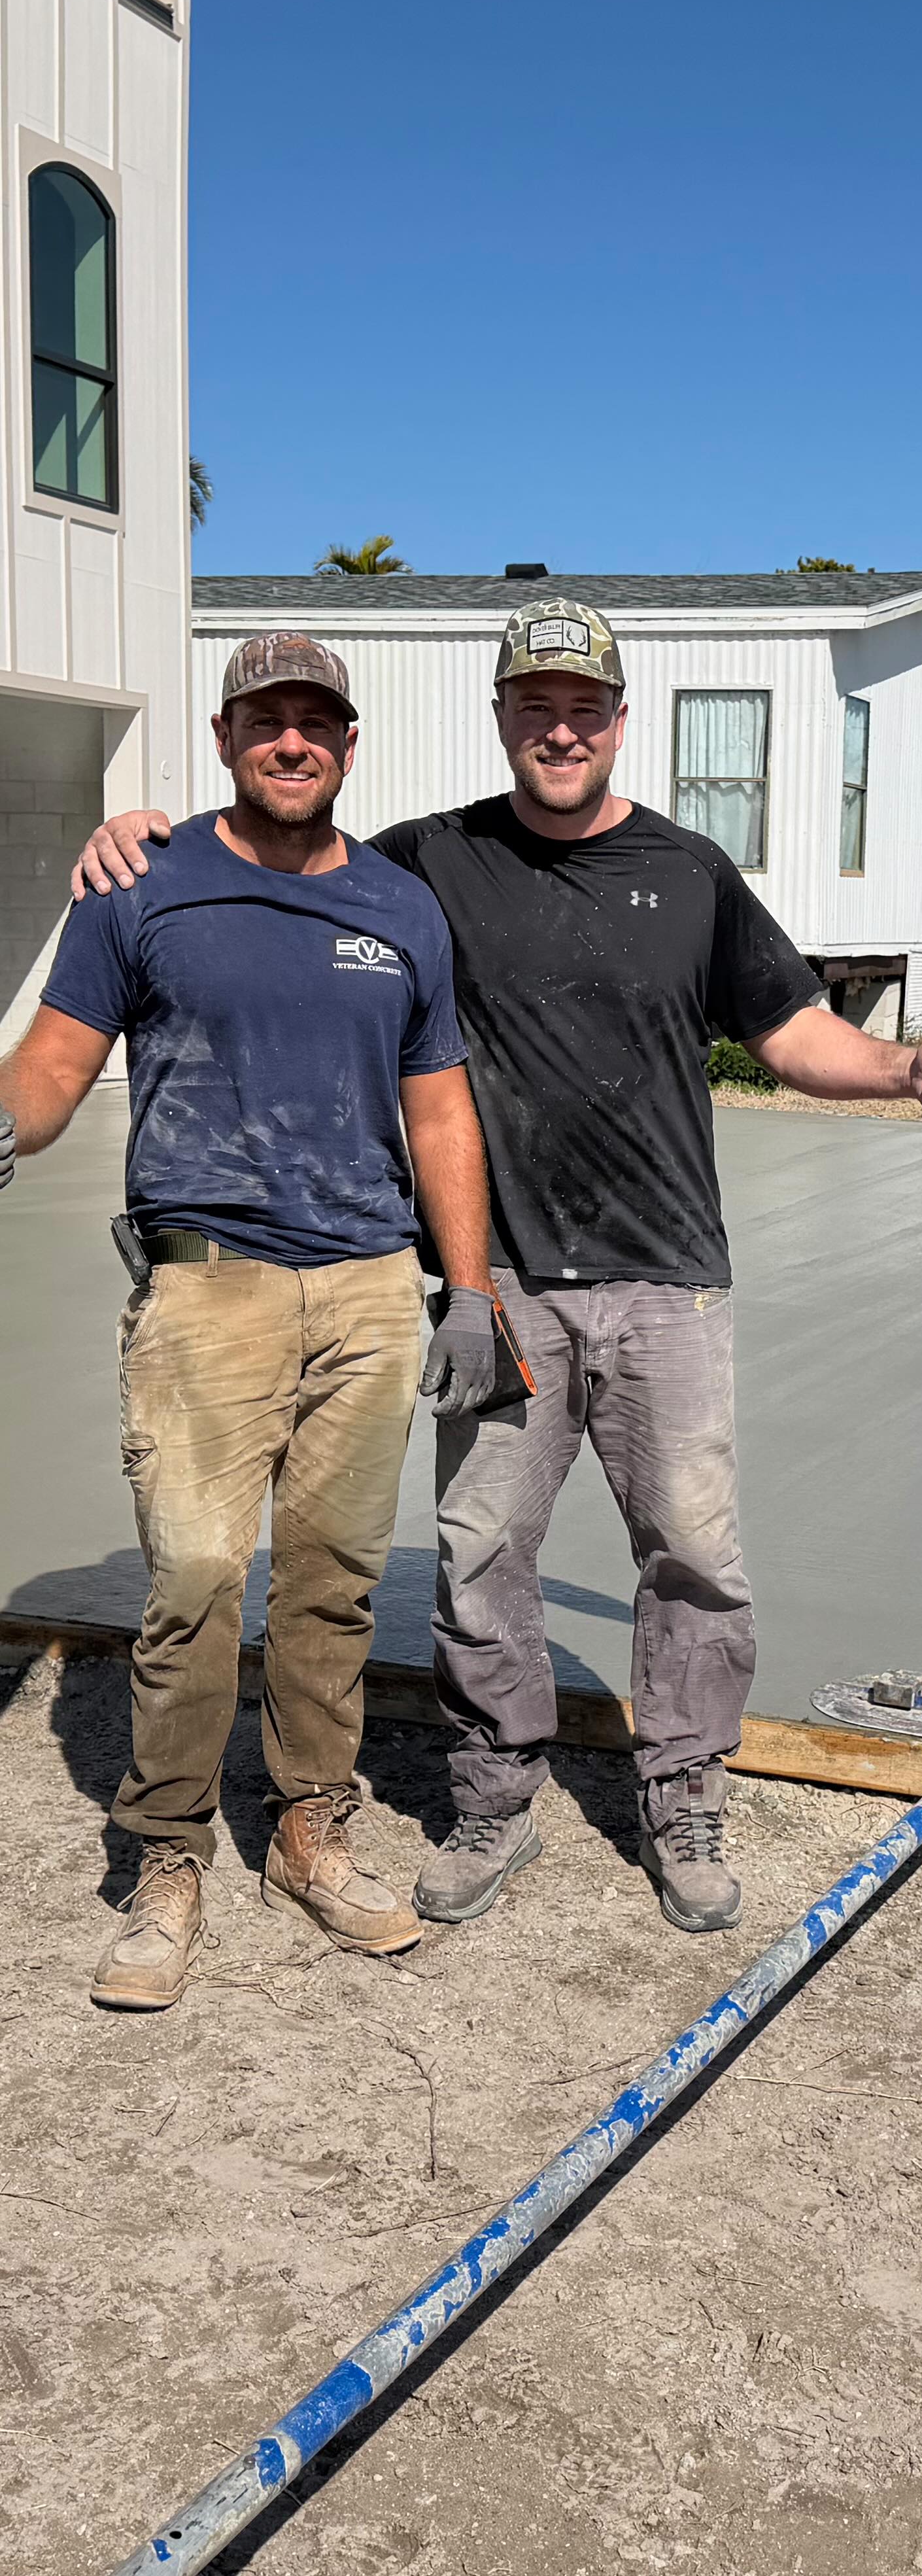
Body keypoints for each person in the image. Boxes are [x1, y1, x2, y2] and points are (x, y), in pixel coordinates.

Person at [71, 599, 922, 1936]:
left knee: (692, 1547)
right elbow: (280, 856)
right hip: (495, 1287)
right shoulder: (429, 865)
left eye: (585, 708)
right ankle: (495, 1792)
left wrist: (905, 1067)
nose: (560, 729)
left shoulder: (691, 875)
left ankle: (681, 1791)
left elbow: (788, 1031)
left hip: (667, 1277)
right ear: (503, 718)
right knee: (485, 1548)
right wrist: (136, 831)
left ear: (620, 720)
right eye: (534, 706)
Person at [5, 632, 500, 2011]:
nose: (294, 742)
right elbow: (56, 1059)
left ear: (349, 745)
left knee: (334, 1581)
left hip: (366, 1285)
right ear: (225, 740)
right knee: (199, 1582)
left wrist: (470, 1285)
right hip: (204, 1287)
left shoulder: (403, 909)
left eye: (317, 724)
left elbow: (439, 1103)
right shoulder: (142, 883)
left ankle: (309, 1830)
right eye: (266, 721)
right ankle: (166, 1858)